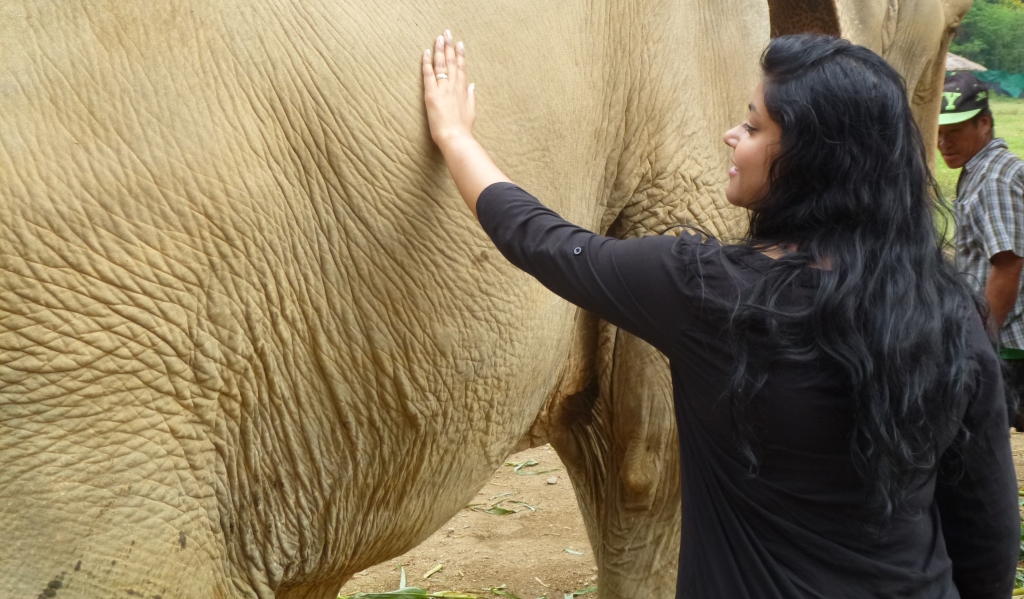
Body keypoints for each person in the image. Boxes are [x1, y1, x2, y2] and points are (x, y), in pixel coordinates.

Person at [419, 30, 1018, 598]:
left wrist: (456, 138)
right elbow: (986, 526)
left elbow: (545, 242)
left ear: (807, 158)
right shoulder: (948, 312)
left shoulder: (710, 294)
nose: (732, 136)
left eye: (754, 126)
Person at [938, 72, 1024, 429]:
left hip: (1010, 344)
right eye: (939, 133)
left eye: (955, 132)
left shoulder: (993, 179)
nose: (945, 143)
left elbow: (1008, 263)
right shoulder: (981, 169)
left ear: (984, 123)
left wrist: (983, 340)